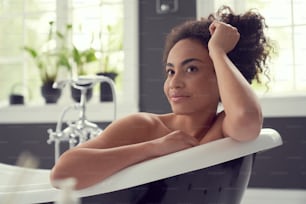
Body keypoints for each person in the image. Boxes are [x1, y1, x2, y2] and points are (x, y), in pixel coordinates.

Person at [50, 6, 273, 190]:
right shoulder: (143, 126)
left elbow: (247, 118)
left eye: (191, 69)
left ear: (221, 74)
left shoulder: (222, 127)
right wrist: (155, 148)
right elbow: (62, 173)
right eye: (170, 71)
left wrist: (217, 51)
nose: (174, 83)